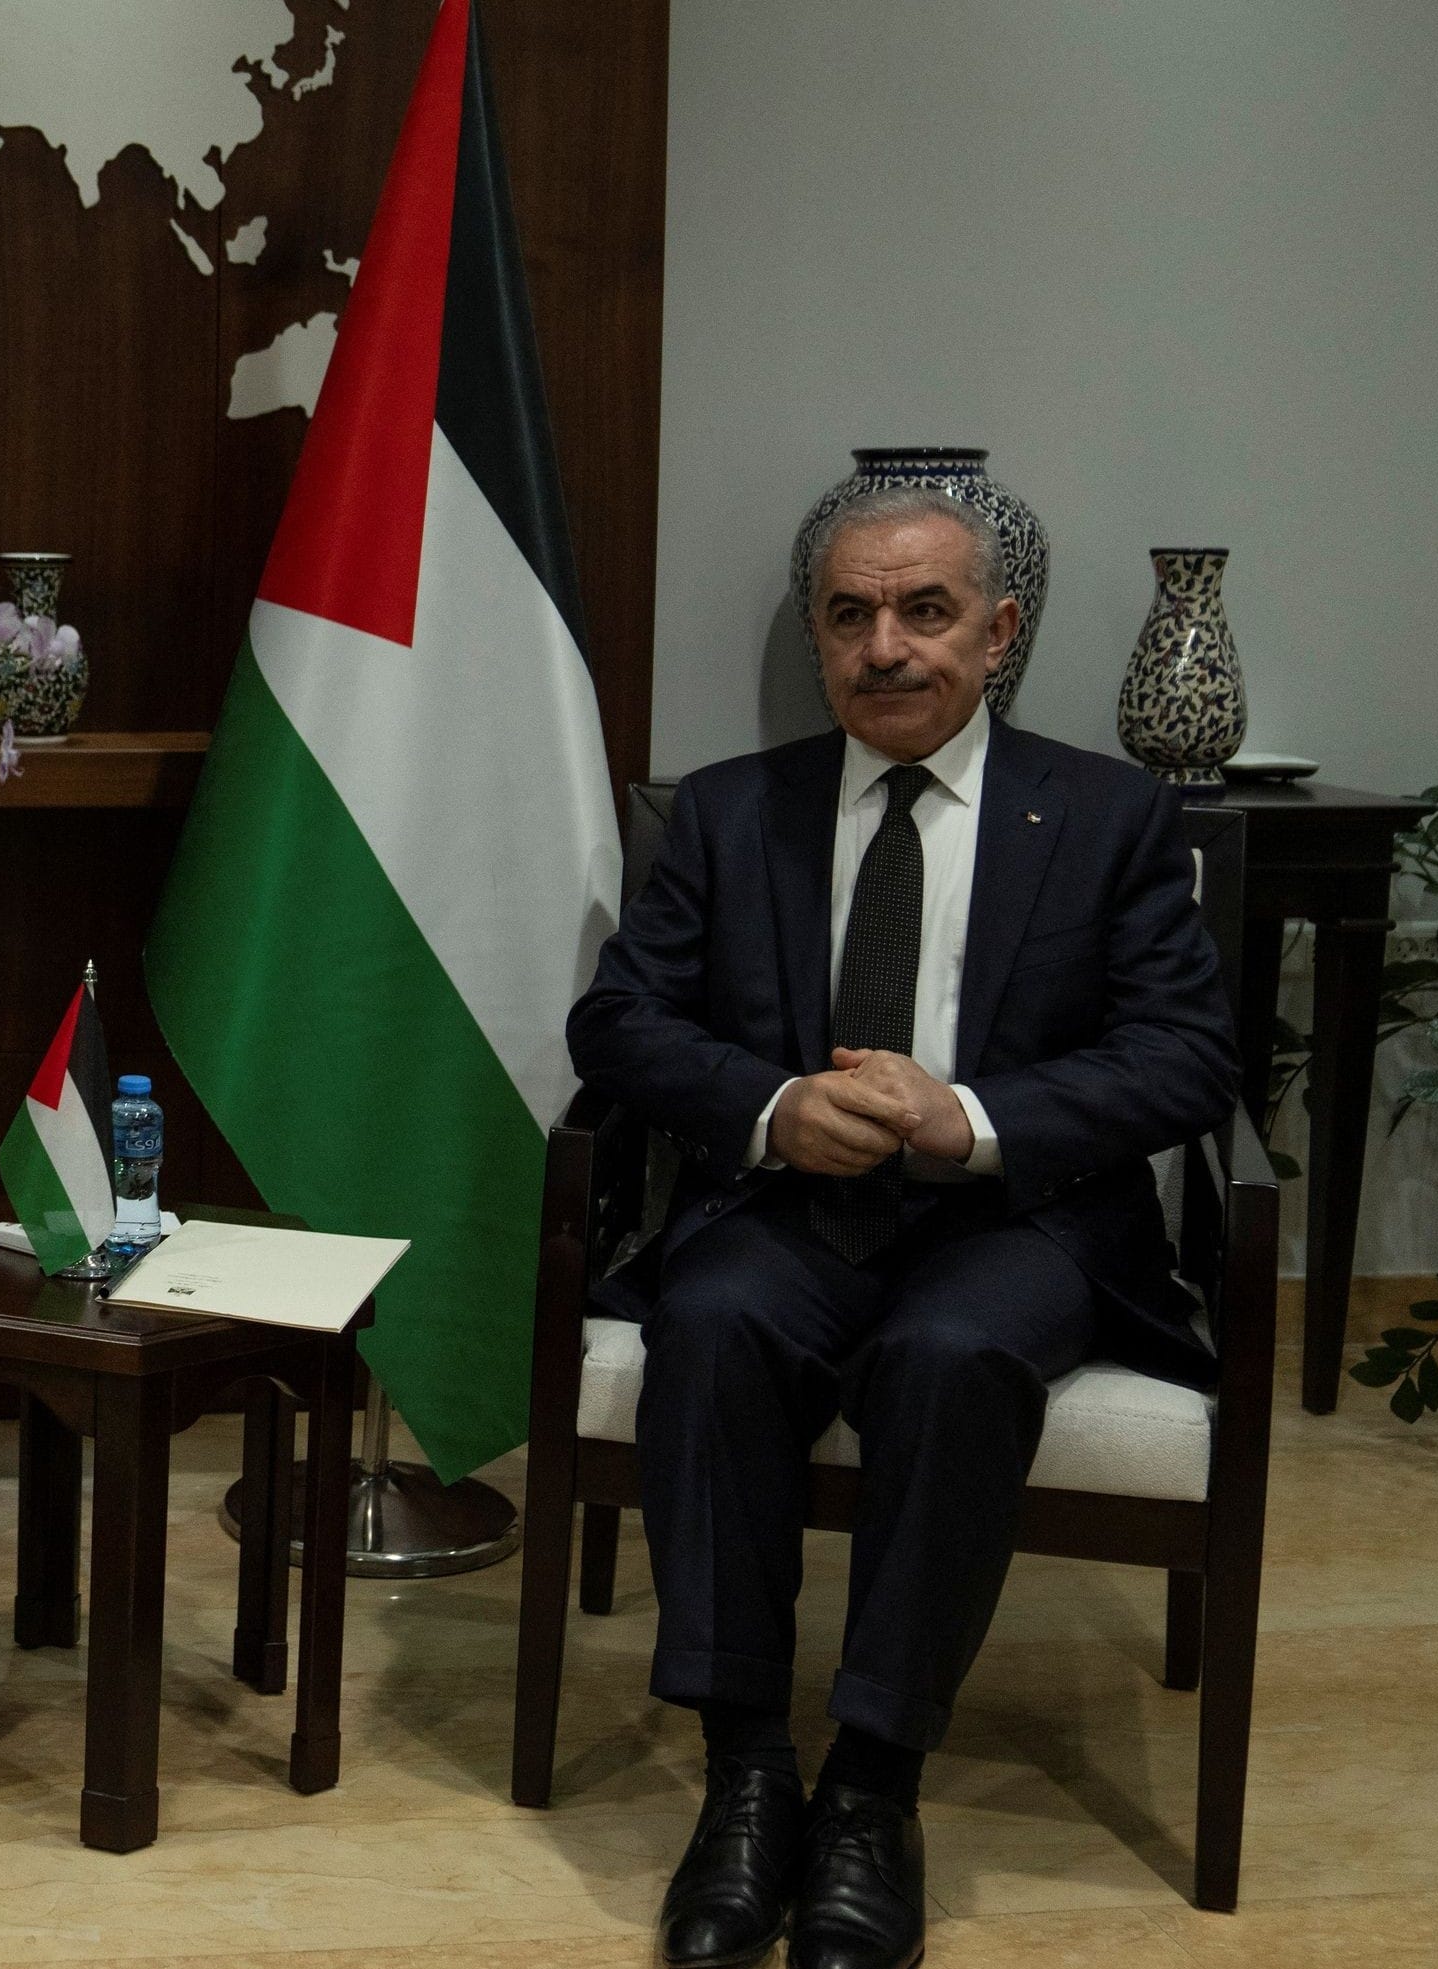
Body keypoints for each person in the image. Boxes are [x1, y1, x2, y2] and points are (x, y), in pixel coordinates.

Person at [564, 486, 1233, 1969]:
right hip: (788, 1202)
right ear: (818, 638)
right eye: (852, 615)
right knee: (714, 1320)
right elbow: (617, 1022)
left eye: (926, 611)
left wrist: (970, 1118)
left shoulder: (1108, 815)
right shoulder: (731, 811)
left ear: (997, 633)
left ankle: (872, 1788)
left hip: (1017, 1219)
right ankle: (748, 1776)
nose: (887, 647)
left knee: (951, 1353)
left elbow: (1186, 1056)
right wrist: (773, 1103)